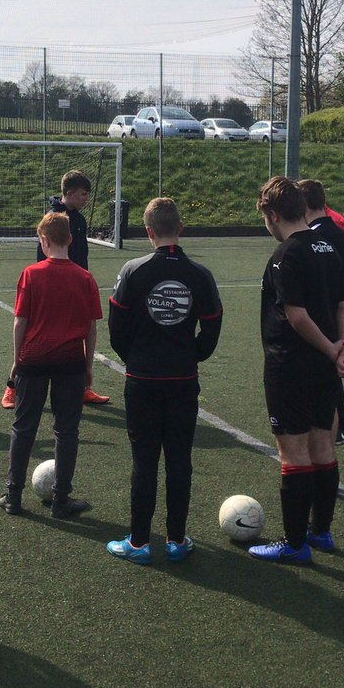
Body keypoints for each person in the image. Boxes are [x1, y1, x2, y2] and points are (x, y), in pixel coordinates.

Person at [106, 197, 223, 565]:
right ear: (181, 229)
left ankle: (139, 542)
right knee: (179, 459)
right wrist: (194, 354)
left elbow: (116, 328)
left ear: (149, 231)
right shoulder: (199, 274)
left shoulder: (133, 270)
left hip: (142, 379)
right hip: (183, 379)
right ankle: (175, 540)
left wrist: (134, 358)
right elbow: (213, 323)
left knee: (144, 460)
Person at [251, 177, 344, 564]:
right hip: (324, 367)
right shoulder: (333, 244)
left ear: (273, 214)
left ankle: (295, 544)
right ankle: (321, 532)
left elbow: (296, 316)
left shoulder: (286, 254)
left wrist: (332, 349)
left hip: (290, 366)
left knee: (293, 452)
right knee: (323, 444)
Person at [0, 211, 102, 518]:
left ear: (43, 240)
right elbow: (91, 327)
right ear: (70, 239)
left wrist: (17, 362)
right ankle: (61, 501)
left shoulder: (31, 274)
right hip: (70, 362)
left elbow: (20, 322)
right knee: (67, 431)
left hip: (34, 360)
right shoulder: (85, 278)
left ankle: (13, 497)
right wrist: (88, 366)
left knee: (24, 427)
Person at [1, 169, 110, 409]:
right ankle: (12, 386)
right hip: (52, 289)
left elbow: (81, 255)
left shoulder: (79, 219)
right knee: (33, 337)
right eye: (83, 194)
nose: (85, 200)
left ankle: (83, 387)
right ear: (69, 193)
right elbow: (44, 257)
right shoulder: (52, 219)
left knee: (82, 333)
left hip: (76, 287)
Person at [297, 179, 344, 444]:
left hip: (325, 312)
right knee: (330, 367)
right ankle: (338, 424)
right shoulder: (338, 231)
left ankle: (340, 425)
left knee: (324, 370)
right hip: (337, 309)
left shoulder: (318, 236)